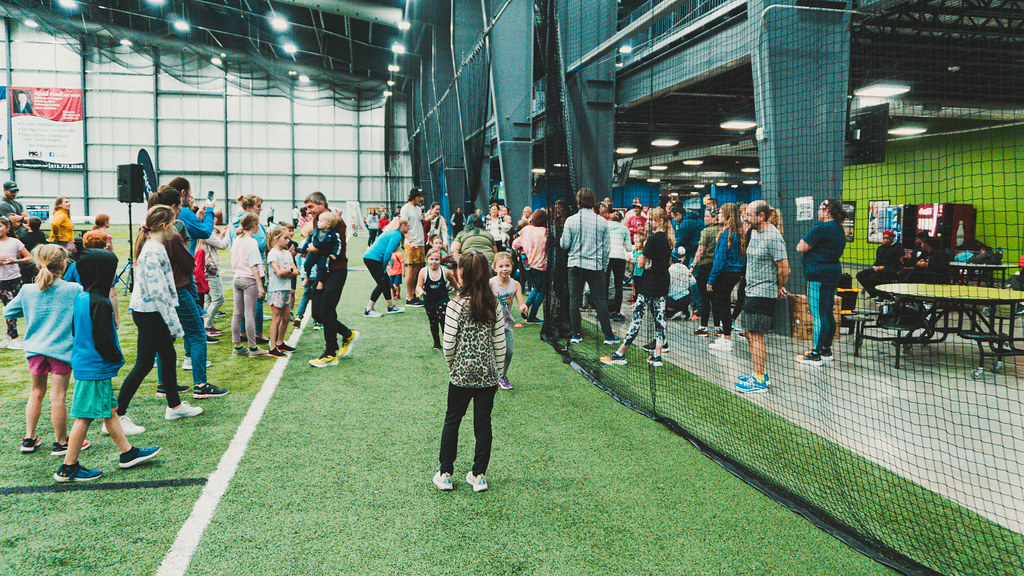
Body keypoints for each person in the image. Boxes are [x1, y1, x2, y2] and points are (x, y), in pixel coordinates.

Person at [55, 249, 161, 482]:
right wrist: (115, 358)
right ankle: (68, 467)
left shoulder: (82, 297)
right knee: (84, 417)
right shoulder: (101, 303)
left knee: (109, 411)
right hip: (96, 367)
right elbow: (103, 340)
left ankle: (127, 453)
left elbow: (76, 331)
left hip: (86, 364)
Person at [117, 206, 204, 431]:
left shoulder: (155, 246)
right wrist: (173, 323)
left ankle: (174, 406)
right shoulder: (154, 250)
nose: (175, 228)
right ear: (164, 226)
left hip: (150, 311)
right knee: (144, 363)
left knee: (168, 354)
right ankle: (117, 416)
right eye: (173, 224)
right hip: (150, 313)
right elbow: (159, 293)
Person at [434, 251, 506, 493]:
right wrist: (499, 373)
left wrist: (452, 366)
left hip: (461, 374)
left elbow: (448, 344)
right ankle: (479, 475)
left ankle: (445, 474)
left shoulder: (455, 304)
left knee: (452, 420)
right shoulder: (493, 303)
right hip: (487, 374)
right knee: (483, 424)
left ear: (461, 274)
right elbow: (500, 343)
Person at [5, 245, 83, 454]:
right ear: (63, 264)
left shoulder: (28, 290)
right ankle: (61, 441)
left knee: (36, 392)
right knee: (58, 396)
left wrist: (31, 312)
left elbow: (9, 310)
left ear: (38, 263)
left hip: (35, 350)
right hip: (61, 350)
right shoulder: (73, 289)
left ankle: (29, 438)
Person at [601, 207, 674, 367]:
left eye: (652, 220)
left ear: (660, 221)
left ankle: (620, 353)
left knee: (636, 318)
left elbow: (641, 262)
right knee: (660, 319)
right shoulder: (668, 239)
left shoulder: (653, 239)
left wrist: (643, 262)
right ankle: (657, 355)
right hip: (662, 282)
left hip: (650, 283)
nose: (649, 222)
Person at [735, 201, 790, 393]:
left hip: (763, 293)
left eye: (749, 214)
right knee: (748, 332)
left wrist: (779, 287)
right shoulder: (754, 232)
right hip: (751, 290)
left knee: (756, 334)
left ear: (761, 216)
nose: (745, 217)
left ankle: (758, 380)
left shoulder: (773, 237)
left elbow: (784, 268)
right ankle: (761, 374)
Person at [302, 192, 358, 368]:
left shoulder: (336, 222)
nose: (308, 211)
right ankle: (347, 334)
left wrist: (314, 250)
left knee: (326, 309)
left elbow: (337, 251)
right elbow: (311, 242)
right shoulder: (316, 223)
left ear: (322, 204)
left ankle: (330, 353)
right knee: (317, 313)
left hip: (337, 269)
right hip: (322, 272)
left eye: (311, 207)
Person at [561, 188, 618, 345]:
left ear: (578, 202)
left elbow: (564, 244)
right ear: (593, 202)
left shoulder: (571, 220)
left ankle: (576, 334)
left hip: (575, 265)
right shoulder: (601, 222)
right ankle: (608, 336)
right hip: (595, 266)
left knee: (575, 300)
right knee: (600, 301)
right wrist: (604, 268)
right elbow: (606, 249)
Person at [796, 199, 848, 365]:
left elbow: (801, 247)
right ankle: (826, 349)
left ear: (827, 211)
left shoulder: (821, 228)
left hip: (817, 274)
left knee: (818, 314)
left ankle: (815, 353)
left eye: (820, 209)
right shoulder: (839, 230)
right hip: (832, 273)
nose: (818, 212)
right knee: (827, 312)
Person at [705, 203, 747, 352]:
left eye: (721, 213)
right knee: (725, 304)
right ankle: (725, 337)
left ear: (727, 215)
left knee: (722, 305)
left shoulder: (726, 234)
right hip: (735, 273)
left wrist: (711, 279)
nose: (719, 215)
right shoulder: (739, 233)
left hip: (724, 273)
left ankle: (727, 339)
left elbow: (719, 260)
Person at [488, 252, 528, 389]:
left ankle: (502, 375)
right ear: (495, 268)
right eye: (501, 266)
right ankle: (490, 375)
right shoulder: (490, 284)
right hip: (490, 324)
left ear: (512, 266)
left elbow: (520, 302)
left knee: (508, 352)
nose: (504, 269)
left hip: (505, 323)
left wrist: (523, 307)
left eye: (507, 265)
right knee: (490, 351)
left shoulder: (515, 284)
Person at [232, 213, 267, 357]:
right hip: (249, 280)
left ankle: (237, 346)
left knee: (237, 313)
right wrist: (260, 286)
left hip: (237, 278)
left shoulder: (237, 240)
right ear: (254, 225)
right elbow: (254, 265)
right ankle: (253, 348)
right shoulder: (251, 242)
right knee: (249, 314)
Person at [363, 218, 409, 317]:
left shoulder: (392, 232)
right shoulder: (397, 235)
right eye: (408, 226)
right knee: (382, 283)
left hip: (371, 258)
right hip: (373, 259)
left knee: (386, 281)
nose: (409, 228)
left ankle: (390, 307)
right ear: (403, 226)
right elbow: (388, 252)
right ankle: (368, 309)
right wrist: (384, 267)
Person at [266, 226, 299, 358]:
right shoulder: (273, 253)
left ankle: (280, 342)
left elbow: (296, 270)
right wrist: (289, 271)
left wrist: (289, 272)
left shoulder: (287, 253)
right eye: (285, 238)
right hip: (276, 289)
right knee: (277, 318)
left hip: (285, 288)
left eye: (289, 238)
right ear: (276, 239)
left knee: (286, 317)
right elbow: (278, 272)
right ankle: (272, 346)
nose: (288, 240)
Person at [511, 208, 548, 324]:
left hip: (528, 266)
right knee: (541, 291)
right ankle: (532, 316)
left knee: (536, 288)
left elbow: (514, 244)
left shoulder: (526, 230)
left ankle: (525, 307)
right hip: (541, 266)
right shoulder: (545, 231)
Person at [417, 248, 458, 350]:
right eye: (431, 259)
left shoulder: (444, 271)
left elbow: (453, 281)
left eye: (436, 259)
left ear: (440, 260)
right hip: (429, 301)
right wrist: (420, 291)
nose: (434, 262)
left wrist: (458, 290)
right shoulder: (423, 271)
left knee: (443, 319)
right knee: (433, 321)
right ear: (427, 259)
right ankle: (436, 343)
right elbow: (418, 285)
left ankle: (447, 342)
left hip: (442, 299)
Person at [0, 217, 31, 349]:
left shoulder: (15, 242)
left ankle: (9, 335)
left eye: (0, 226)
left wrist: (15, 261)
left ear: (7, 228)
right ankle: (14, 337)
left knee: (16, 306)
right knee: (9, 306)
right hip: (1, 280)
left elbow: (29, 257)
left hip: (15, 278)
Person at [401, 188, 434, 307]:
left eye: (421, 196)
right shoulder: (406, 209)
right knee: (412, 269)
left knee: (419, 269)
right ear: (413, 196)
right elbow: (403, 227)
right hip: (412, 243)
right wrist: (411, 241)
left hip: (420, 242)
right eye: (419, 196)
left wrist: (424, 220)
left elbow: (420, 224)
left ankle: (414, 295)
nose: (421, 199)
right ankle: (410, 297)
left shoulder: (418, 209)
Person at [691, 208, 721, 337]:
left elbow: (700, 251)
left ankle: (703, 327)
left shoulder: (706, 232)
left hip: (705, 267)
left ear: (715, 218)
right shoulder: (723, 231)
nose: (705, 219)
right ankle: (717, 327)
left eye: (708, 216)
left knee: (704, 298)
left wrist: (693, 265)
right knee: (716, 298)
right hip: (718, 267)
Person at [167, 177, 215, 253]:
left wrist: (196, 218)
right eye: (189, 191)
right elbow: (205, 232)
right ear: (183, 192)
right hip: (186, 259)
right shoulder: (184, 212)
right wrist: (209, 210)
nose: (190, 195)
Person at [856, 230, 903, 299]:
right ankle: (873, 294)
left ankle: (883, 296)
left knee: (873, 277)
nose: (886, 240)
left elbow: (897, 263)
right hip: (878, 269)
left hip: (891, 270)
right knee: (860, 275)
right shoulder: (880, 248)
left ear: (893, 237)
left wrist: (883, 267)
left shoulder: (898, 249)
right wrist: (874, 267)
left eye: (888, 238)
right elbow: (877, 261)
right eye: (884, 238)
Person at [203, 217, 230, 336]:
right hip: (210, 269)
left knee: (208, 299)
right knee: (218, 298)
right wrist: (229, 233)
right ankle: (206, 326)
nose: (215, 220)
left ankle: (207, 325)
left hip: (206, 268)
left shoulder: (204, 231)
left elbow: (214, 245)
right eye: (212, 218)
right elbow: (222, 246)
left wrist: (222, 234)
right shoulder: (207, 232)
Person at [303, 211, 342, 288]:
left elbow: (338, 244)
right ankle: (306, 277)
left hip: (323, 255)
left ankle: (321, 282)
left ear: (328, 224)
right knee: (307, 264)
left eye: (320, 221)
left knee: (322, 267)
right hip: (313, 254)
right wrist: (304, 249)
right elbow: (308, 239)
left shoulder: (333, 234)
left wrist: (334, 254)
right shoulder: (316, 231)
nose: (317, 223)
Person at [605, 210, 631, 322]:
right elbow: (629, 248)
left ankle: (603, 311)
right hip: (620, 257)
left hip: (607, 256)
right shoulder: (624, 228)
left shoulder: (606, 226)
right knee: (618, 285)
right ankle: (617, 312)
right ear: (621, 219)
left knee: (604, 284)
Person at [629, 232, 645, 303]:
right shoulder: (635, 252)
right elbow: (633, 260)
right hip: (635, 273)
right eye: (635, 242)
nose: (636, 244)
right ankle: (635, 301)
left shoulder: (643, 253)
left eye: (638, 242)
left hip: (641, 273)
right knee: (635, 286)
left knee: (641, 289)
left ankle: (640, 302)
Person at [194, 239, 209, 310]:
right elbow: (198, 270)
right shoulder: (200, 251)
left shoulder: (193, 250)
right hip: (199, 286)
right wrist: (204, 286)